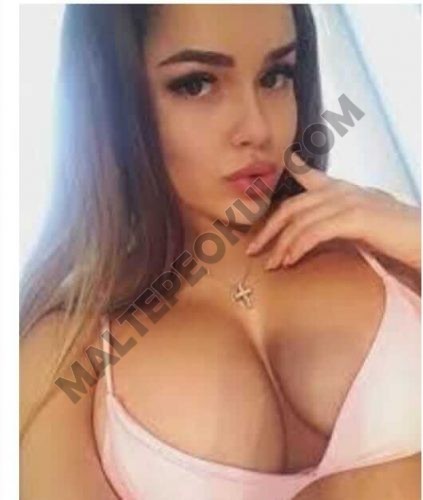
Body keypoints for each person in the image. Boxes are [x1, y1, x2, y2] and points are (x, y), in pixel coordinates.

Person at [20, 4, 421, 499]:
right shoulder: (63, 356)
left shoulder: (385, 250)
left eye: (275, 76)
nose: (257, 128)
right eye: (196, 84)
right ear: (112, 103)